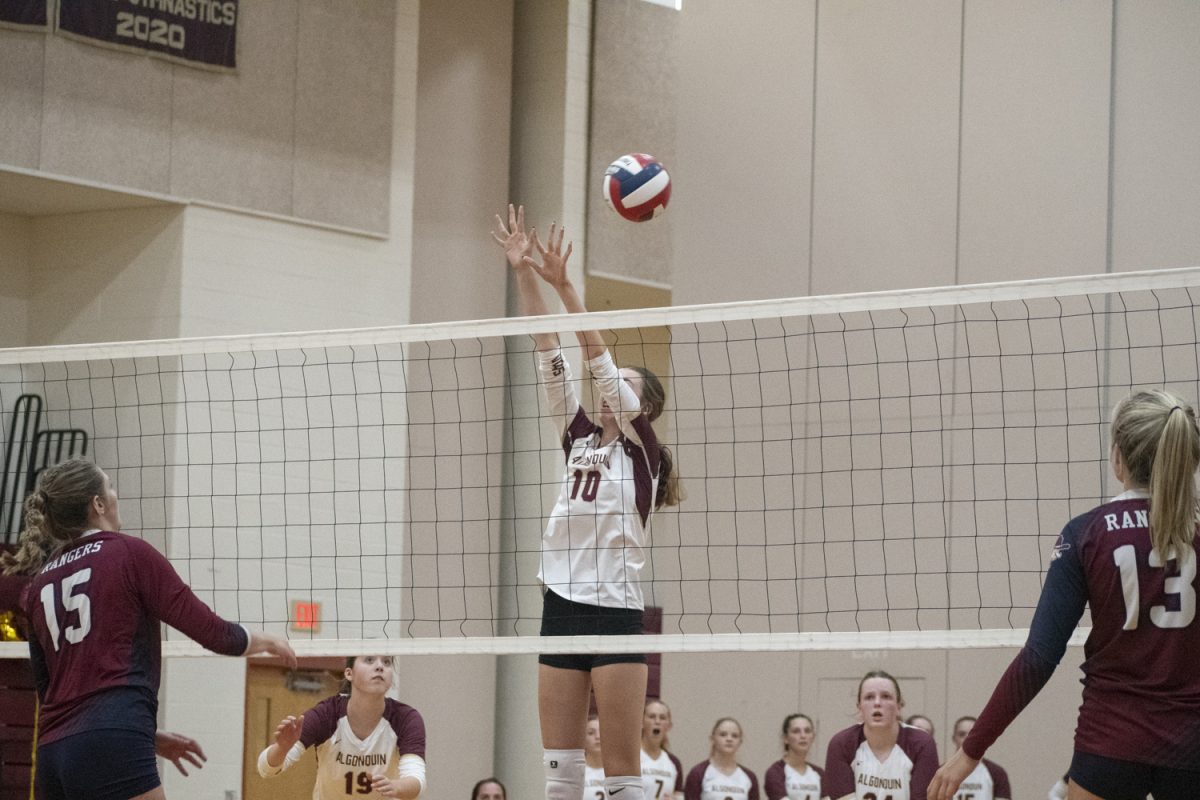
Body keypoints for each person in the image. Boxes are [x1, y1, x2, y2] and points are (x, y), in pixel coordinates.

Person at [493, 204, 682, 800]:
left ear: (642, 406)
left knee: (624, 773)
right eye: (612, 381)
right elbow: (548, 352)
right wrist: (524, 270)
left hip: (618, 615)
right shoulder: (576, 438)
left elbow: (596, 363)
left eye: (624, 384)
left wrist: (567, 286)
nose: (609, 389)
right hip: (562, 606)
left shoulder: (644, 454)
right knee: (562, 774)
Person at [928, 390, 1200, 800]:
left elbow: (1038, 657)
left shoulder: (1087, 534)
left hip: (1109, 742)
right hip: (1191, 744)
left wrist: (970, 751)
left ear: (1118, 458)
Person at [0, 458, 297, 800]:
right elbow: (213, 633)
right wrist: (266, 640)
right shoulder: (129, 553)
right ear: (97, 504)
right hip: (114, 736)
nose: (114, 494)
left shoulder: (40, 583)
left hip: (55, 754)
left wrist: (147, 736)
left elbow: (48, 688)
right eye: (109, 486)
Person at [257, 654, 426, 799]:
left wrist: (397, 787)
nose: (380, 666)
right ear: (349, 673)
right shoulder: (326, 714)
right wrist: (282, 748)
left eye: (387, 662)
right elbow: (265, 769)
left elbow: (417, 781)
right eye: (369, 660)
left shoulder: (406, 719)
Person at [824, 670, 938, 800]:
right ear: (859, 707)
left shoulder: (922, 743)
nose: (877, 703)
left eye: (886, 696)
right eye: (869, 697)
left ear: (899, 706)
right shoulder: (841, 744)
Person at [685, 717, 759, 800]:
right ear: (712, 739)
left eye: (734, 736)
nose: (729, 739)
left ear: (740, 742)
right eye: (723, 734)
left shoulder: (749, 777)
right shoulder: (698, 773)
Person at [946, 717, 1009, 800]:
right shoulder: (942, 771)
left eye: (972, 734)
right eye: (962, 734)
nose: (967, 738)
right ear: (954, 738)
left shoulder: (996, 772)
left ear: (981, 738)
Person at [764, 713, 823, 800]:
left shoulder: (819, 773)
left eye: (807, 731)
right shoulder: (775, 772)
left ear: (813, 737)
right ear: (786, 738)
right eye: (796, 731)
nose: (803, 736)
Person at [641, 700, 684, 800]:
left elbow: (678, 796)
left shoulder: (674, 762)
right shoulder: (631, 757)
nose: (657, 721)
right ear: (641, 722)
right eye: (652, 717)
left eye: (662, 718)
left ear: (669, 726)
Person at [585, 715, 607, 800]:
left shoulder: (618, 771)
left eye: (601, 731)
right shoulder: (575, 772)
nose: (598, 737)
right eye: (591, 733)